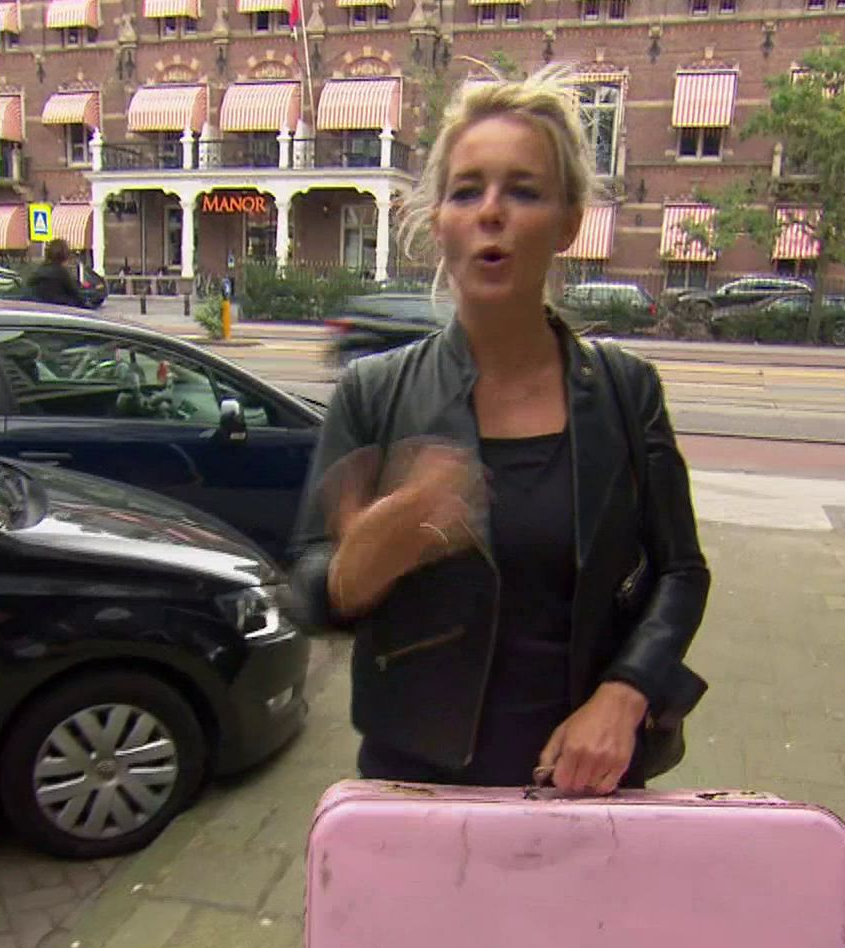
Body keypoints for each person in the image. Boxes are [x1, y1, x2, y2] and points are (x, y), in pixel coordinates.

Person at [284, 67, 711, 795]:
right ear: (438, 222)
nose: (491, 212)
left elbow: (681, 571)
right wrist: (361, 563)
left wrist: (627, 691)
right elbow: (305, 587)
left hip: (585, 785)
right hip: (419, 787)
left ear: (568, 223)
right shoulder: (375, 393)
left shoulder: (625, 391)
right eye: (466, 191)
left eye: (523, 191)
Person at [27, 238, 92, 308]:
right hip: (60, 310)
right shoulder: (61, 273)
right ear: (65, 256)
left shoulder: (39, 270)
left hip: (39, 309)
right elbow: (76, 295)